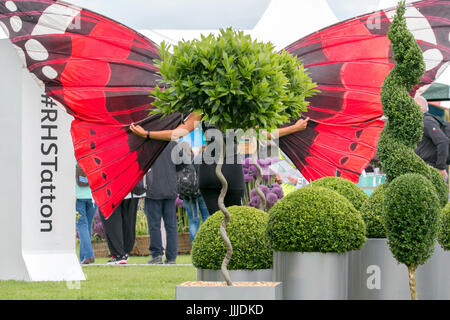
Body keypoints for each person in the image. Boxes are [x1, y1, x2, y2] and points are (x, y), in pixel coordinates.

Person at [130, 112, 309, 214]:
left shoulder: (203, 109)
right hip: (232, 170)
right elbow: (265, 134)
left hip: (209, 170)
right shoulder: (240, 109)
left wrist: (147, 134)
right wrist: (296, 128)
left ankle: (216, 271)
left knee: (216, 222)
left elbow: (177, 133)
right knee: (233, 222)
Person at [144, 141, 179, 264]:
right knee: (171, 225)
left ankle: (157, 254)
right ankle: (172, 256)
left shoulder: (147, 144)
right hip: (170, 189)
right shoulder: (173, 144)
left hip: (153, 189)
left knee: (154, 225)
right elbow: (182, 165)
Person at [99, 180, 145, 265]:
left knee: (112, 220)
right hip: (131, 187)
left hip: (111, 187)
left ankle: (119, 254)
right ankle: (124, 252)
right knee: (128, 220)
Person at [176, 142, 210, 244]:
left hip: (187, 195)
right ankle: (207, 243)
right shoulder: (197, 159)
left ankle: (195, 246)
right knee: (206, 217)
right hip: (201, 192)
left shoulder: (179, 163)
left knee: (193, 221)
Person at [414, 95, 449, 181]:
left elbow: (443, 141)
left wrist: (441, 168)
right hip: (426, 168)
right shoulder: (421, 122)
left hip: (431, 169)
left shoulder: (427, 121)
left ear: (419, 107)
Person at [75, 163, 97, 265]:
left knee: (81, 225)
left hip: (78, 197)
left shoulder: (74, 157)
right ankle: (83, 258)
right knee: (86, 227)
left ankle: (88, 255)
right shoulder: (92, 156)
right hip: (93, 196)